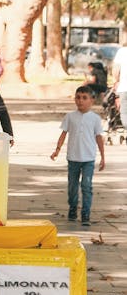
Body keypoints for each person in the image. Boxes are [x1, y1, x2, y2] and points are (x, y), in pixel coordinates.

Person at [50, 85, 105, 226]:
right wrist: (57, 150)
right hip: (73, 158)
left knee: (87, 186)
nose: (80, 101)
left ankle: (86, 214)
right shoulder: (70, 117)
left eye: (84, 98)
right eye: (78, 97)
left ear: (92, 100)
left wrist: (103, 157)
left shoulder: (95, 119)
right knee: (72, 187)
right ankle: (73, 208)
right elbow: (63, 134)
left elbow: (99, 137)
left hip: (88, 159)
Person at [111, 39, 127, 131]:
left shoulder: (122, 51)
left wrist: (116, 81)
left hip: (124, 86)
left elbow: (116, 70)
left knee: (124, 112)